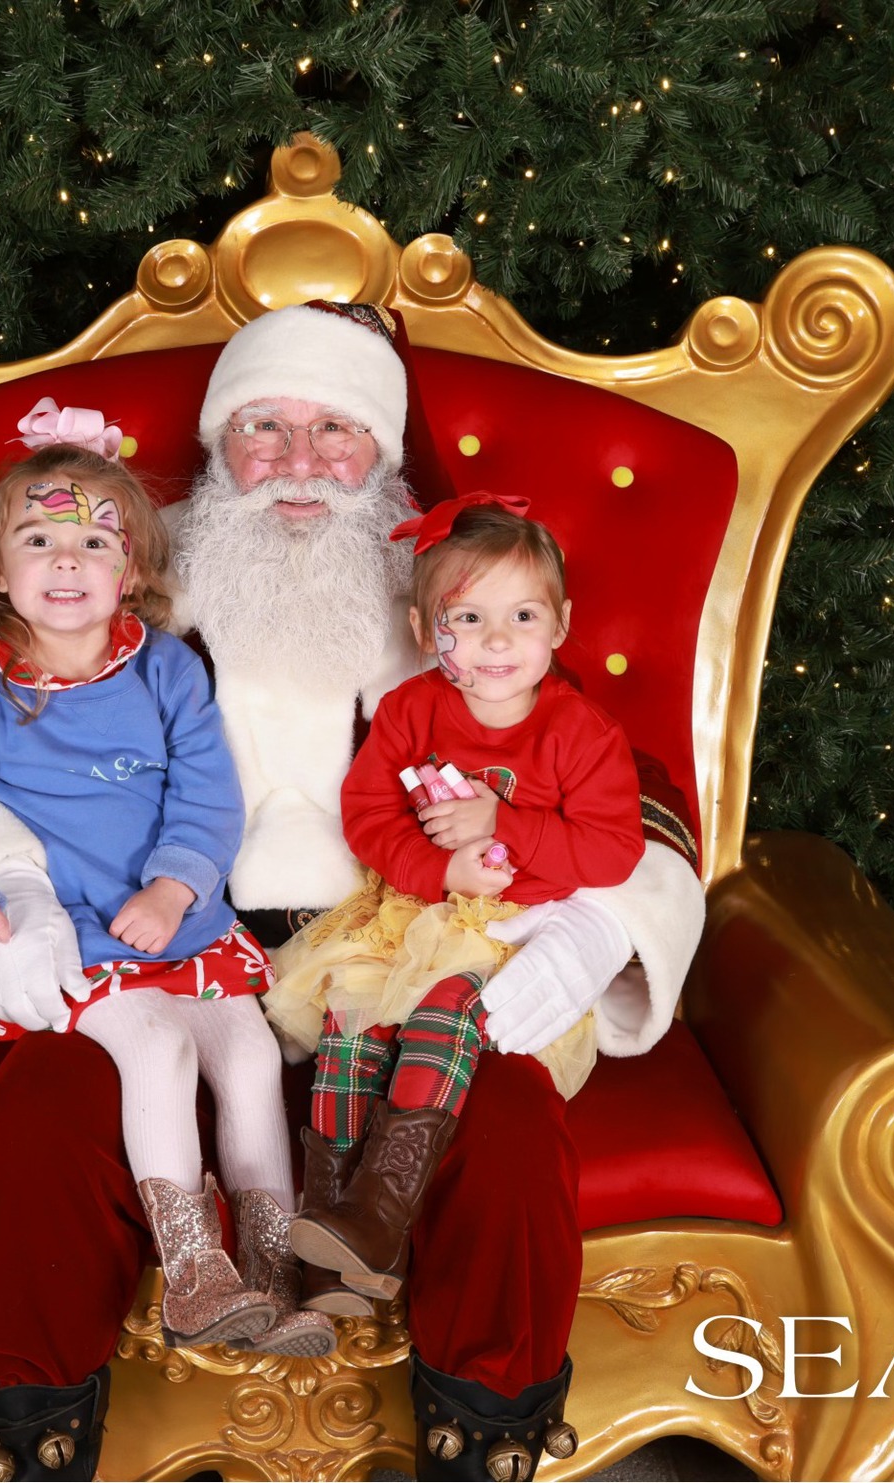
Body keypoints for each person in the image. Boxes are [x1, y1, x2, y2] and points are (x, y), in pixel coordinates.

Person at [0, 301, 707, 1483]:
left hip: (398, 963)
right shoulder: (110, 603)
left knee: (502, 1121)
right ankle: (20, 1452)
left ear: (383, 454)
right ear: (215, 452)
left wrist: (594, 928)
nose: (296, 464)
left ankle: (480, 1446)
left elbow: (617, 783)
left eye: (334, 430)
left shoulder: (459, 618)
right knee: (39, 1110)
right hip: (163, 965)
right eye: (262, 429)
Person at [0, 444, 335, 1375]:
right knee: (158, 1050)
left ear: (129, 571)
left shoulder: (166, 672)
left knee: (246, 1052)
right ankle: (193, 1268)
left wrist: (173, 886)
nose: (68, 561)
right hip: (82, 945)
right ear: (0, 570)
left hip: (185, 923)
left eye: (94, 541)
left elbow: (209, 797)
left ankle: (273, 1262)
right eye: (39, 539)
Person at [269, 494, 646, 1308]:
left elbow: (614, 848)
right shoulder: (411, 710)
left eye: (521, 614)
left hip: (513, 927)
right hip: (413, 909)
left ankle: (381, 1216)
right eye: (467, 617)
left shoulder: (581, 732)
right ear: (422, 628)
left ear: (561, 623)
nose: (498, 639)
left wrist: (504, 823)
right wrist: (438, 871)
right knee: (352, 1024)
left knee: (442, 1012)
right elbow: (368, 817)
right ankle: (330, 1231)